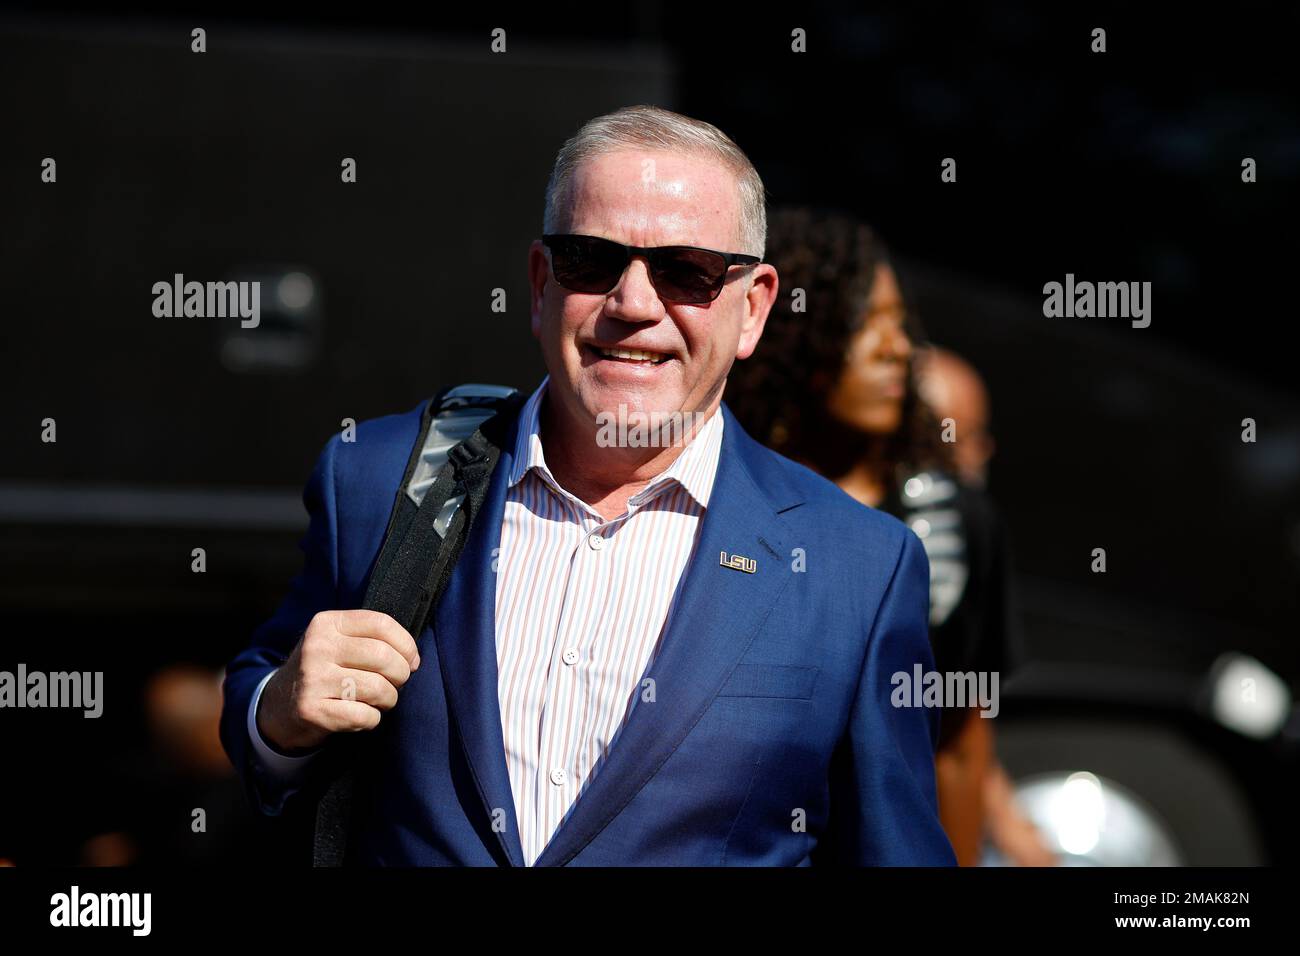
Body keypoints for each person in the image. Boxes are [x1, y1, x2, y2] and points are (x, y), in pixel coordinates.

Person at [218, 106, 955, 866]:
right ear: (541, 284)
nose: (633, 304)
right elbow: (264, 711)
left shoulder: (856, 568)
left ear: (754, 308)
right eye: (591, 261)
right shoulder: (380, 479)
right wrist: (278, 716)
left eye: (686, 271)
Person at [727, 205, 1050, 865]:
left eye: (899, 323)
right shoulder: (722, 496)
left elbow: (959, 749)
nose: (896, 348)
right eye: (862, 323)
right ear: (791, 331)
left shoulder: (955, 523)